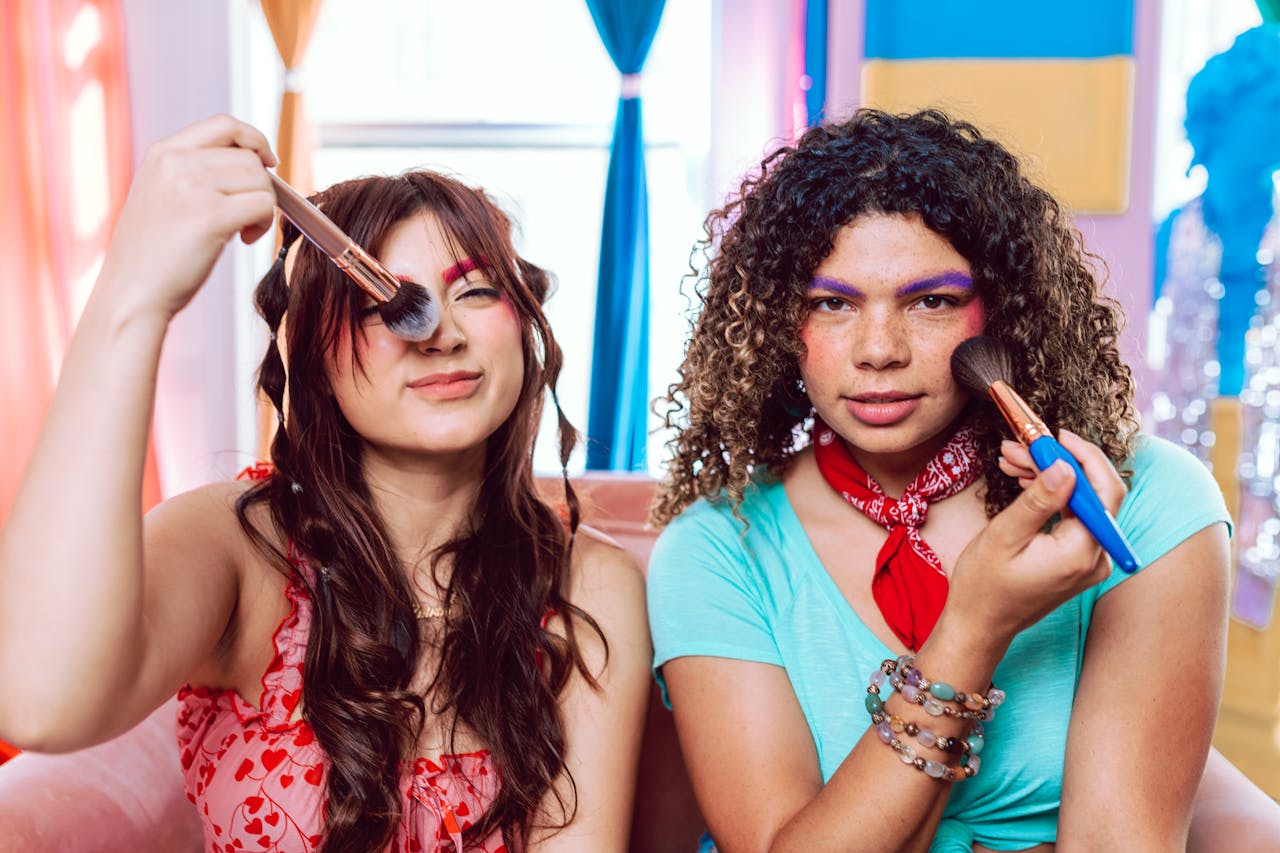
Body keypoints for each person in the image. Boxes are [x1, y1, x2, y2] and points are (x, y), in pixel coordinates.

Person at [0, 115, 651, 852]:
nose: (440, 332)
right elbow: (37, 701)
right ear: (313, 350)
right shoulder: (239, 549)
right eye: (385, 303)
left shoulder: (590, 587)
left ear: (525, 324)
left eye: (473, 291)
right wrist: (133, 296)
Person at [646, 108, 1280, 851]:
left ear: (1003, 311)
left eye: (932, 301)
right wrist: (974, 627)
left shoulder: (1150, 502)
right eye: (833, 303)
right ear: (779, 322)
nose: (880, 349)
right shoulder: (718, 548)